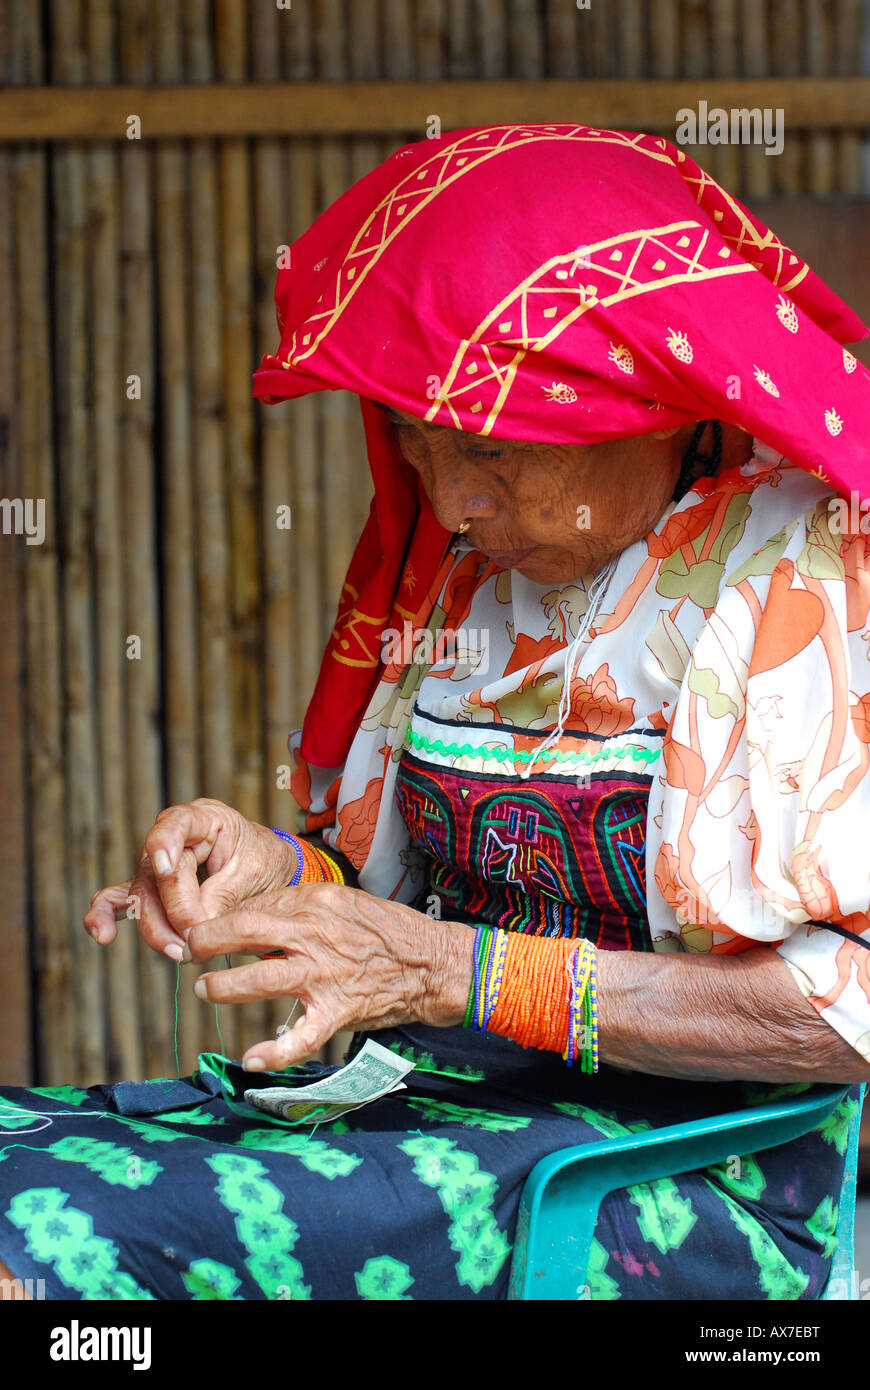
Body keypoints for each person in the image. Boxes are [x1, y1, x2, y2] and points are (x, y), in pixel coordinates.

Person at [1, 122, 869, 1302]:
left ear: (649, 401)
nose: (452, 502)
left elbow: (843, 1015)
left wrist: (461, 978)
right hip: (427, 1111)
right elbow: (393, 908)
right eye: (417, 447)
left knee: (71, 1242)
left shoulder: (799, 576)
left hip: (674, 1176)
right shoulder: (479, 573)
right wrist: (274, 874)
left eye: (489, 448)